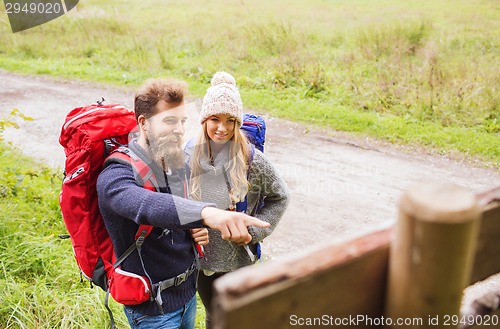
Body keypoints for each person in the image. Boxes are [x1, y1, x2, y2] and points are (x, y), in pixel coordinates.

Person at [96, 78, 270, 329]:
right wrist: (207, 214)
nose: (179, 129)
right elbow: (145, 205)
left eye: (182, 121)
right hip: (153, 310)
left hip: (187, 296)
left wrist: (190, 228)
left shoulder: (170, 160)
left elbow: (171, 216)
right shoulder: (116, 175)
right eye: (169, 121)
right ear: (144, 123)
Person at [188, 72, 290, 329]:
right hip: (201, 263)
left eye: (230, 120)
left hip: (239, 261)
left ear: (237, 122)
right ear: (204, 120)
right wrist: (188, 228)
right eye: (215, 119)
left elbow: (280, 197)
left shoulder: (252, 160)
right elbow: (175, 201)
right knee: (214, 316)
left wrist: (254, 231)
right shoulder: (188, 155)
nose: (222, 128)